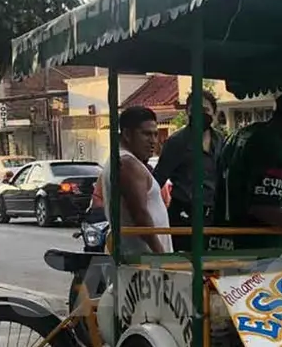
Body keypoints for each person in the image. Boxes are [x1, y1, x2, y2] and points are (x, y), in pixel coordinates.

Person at [214, 88, 282, 252]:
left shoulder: (241, 134)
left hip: (223, 244)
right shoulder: (270, 146)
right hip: (259, 253)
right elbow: (264, 207)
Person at [153, 90, 224, 252]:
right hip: (184, 215)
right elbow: (158, 180)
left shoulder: (219, 140)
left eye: (205, 111)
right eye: (195, 111)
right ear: (187, 113)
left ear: (213, 113)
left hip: (213, 216)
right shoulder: (176, 142)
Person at [96, 106, 172, 255]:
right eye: (146, 134)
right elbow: (140, 215)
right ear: (127, 134)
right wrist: (161, 256)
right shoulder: (128, 164)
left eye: (155, 135)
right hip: (144, 262)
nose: (153, 141)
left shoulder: (122, 161)